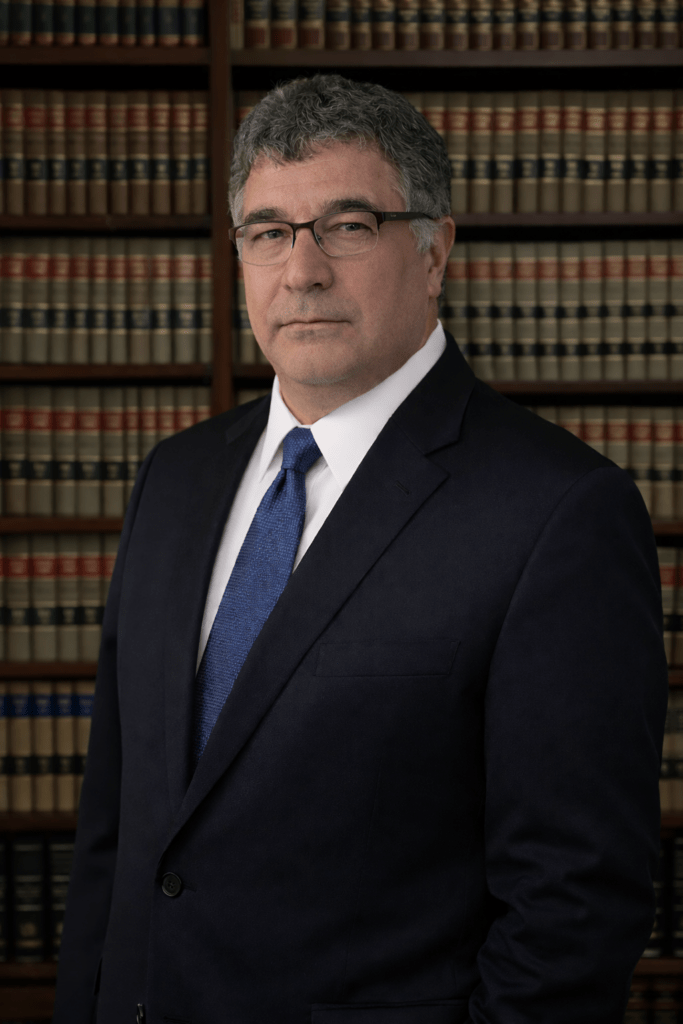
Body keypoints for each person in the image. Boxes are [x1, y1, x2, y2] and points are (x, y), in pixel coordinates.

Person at [53, 75, 668, 1024]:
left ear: (434, 251)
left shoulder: (560, 512)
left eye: (347, 225)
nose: (300, 272)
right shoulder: (172, 482)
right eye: (268, 232)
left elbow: (574, 906)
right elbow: (119, 835)